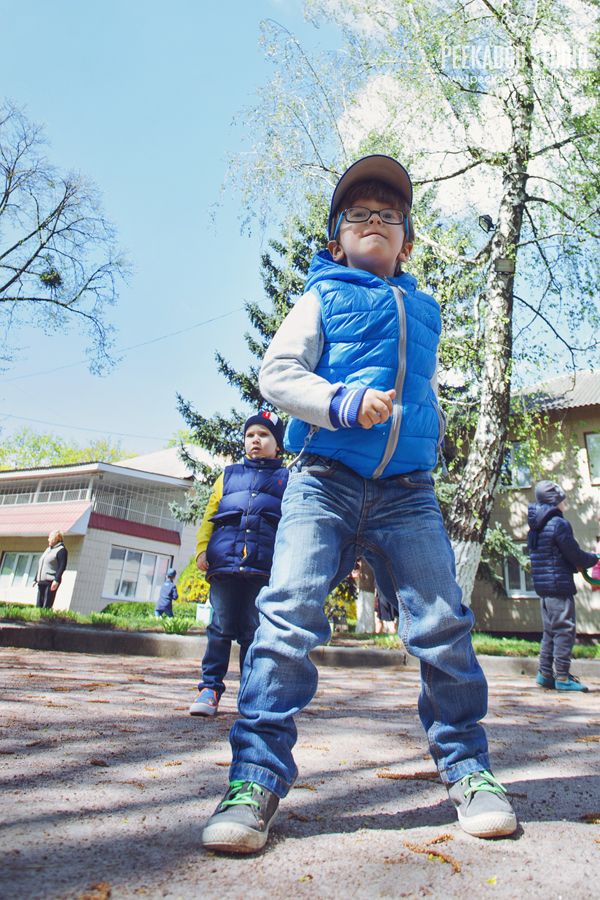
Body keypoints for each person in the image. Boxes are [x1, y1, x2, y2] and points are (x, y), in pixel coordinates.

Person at [202, 154, 517, 853]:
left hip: (409, 495)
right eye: (359, 216)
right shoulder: (322, 296)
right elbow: (277, 374)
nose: (375, 222)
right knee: (285, 620)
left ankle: (469, 768)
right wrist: (340, 402)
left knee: (443, 626)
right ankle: (254, 777)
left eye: (390, 217)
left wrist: (427, 432)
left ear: (406, 241)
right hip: (325, 480)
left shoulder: (426, 307)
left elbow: (422, 385)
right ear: (336, 239)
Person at [188, 411, 289, 718]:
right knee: (219, 627)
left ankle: (251, 692)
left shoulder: (287, 479)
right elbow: (210, 514)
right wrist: (202, 548)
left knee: (252, 630)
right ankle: (209, 688)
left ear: (278, 445)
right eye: (250, 435)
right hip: (224, 564)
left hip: (262, 566)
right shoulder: (228, 475)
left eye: (264, 435)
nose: (255, 440)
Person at [528, 480, 598, 692]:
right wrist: (593, 559)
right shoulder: (559, 523)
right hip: (559, 585)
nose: (565, 503)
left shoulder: (536, 526)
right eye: (562, 499)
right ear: (555, 500)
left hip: (544, 587)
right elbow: (573, 553)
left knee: (551, 630)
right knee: (565, 629)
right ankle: (563, 677)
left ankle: (545, 673)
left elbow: (551, 555)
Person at [34, 531, 68, 609]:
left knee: (46, 605)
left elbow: (62, 566)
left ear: (56, 539)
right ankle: (38, 619)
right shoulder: (48, 549)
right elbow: (42, 564)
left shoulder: (61, 550)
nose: (48, 540)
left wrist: (56, 580)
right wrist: (35, 579)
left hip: (51, 581)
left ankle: (44, 619)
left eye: (50, 538)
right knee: (39, 604)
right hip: (41, 580)